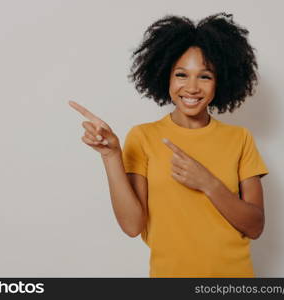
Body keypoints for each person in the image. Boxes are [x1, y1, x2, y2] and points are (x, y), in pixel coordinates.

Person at [69, 12, 269, 278]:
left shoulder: (240, 138)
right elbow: (132, 226)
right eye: (181, 74)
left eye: (205, 76)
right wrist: (111, 156)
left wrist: (208, 183)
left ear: (220, 81)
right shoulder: (143, 137)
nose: (192, 87)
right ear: (165, 76)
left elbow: (255, 226)